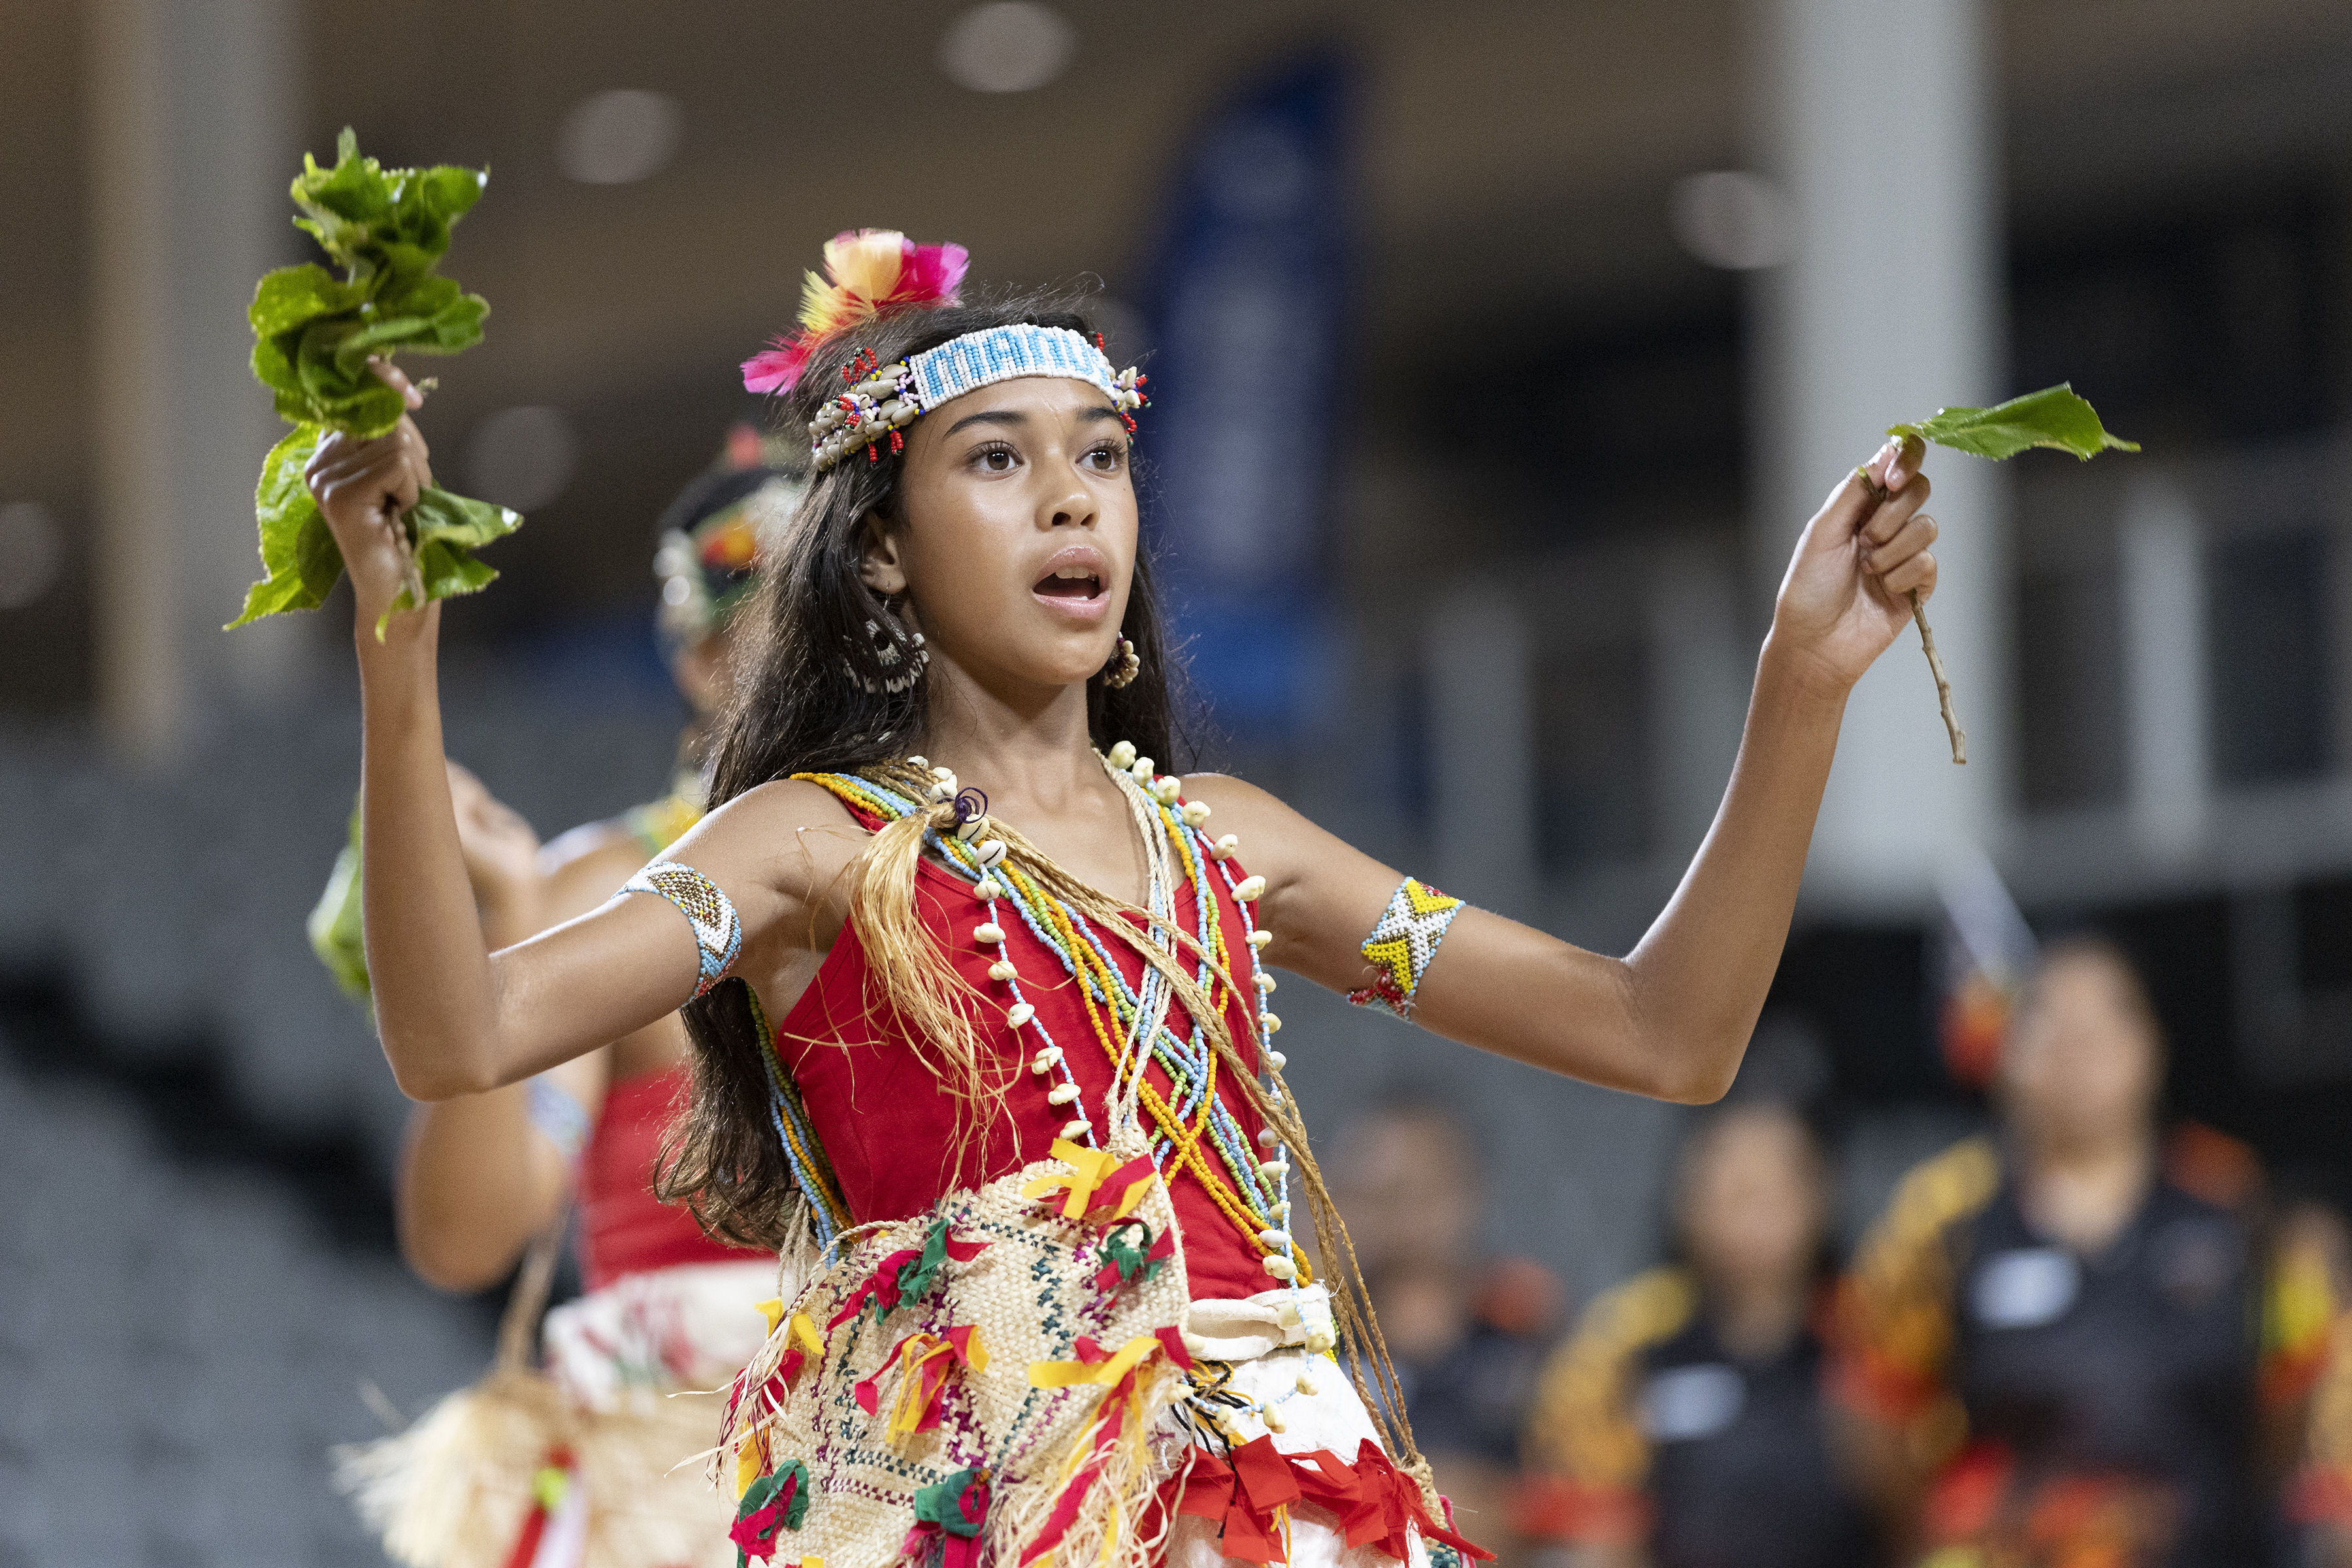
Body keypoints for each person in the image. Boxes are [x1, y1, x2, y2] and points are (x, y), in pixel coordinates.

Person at [299, 225, 1942, 1568]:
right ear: (878, 547)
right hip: (975, 1501)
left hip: (1273, 1505)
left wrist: (1800, 683)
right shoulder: (803, 845)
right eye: (998, 460)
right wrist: (398, 640)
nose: (1072, 495)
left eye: (1098, 455)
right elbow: (461, 1038)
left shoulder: (1236, 842)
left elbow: (1666, 1033)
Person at [335, 448, 806, 1568]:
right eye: (789, 623)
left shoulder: (974, 878)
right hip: (687, 1492)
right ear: (701, 659)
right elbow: (466, 1235)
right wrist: (507, 921)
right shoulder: (614, 893)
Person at [1830, 936, 2333, 1568]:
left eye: (2105, 1019)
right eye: (2051, 1019)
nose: (2078, 1044)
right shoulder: (1941, 1218)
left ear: (2151, 1047)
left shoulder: (2235, 1203)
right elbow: (1873, 1406)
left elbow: (2301, 1391)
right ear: (2006, 1052)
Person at [1518, 1102, 1878, 1568]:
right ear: (1686, 1201)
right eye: (1728, 1172)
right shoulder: (1621, 1343)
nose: (1751, 1187)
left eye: (1776, 1174)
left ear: (1821, 1196)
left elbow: (1923, 1511)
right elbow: (1587, 1526)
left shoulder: (1872, 1336)